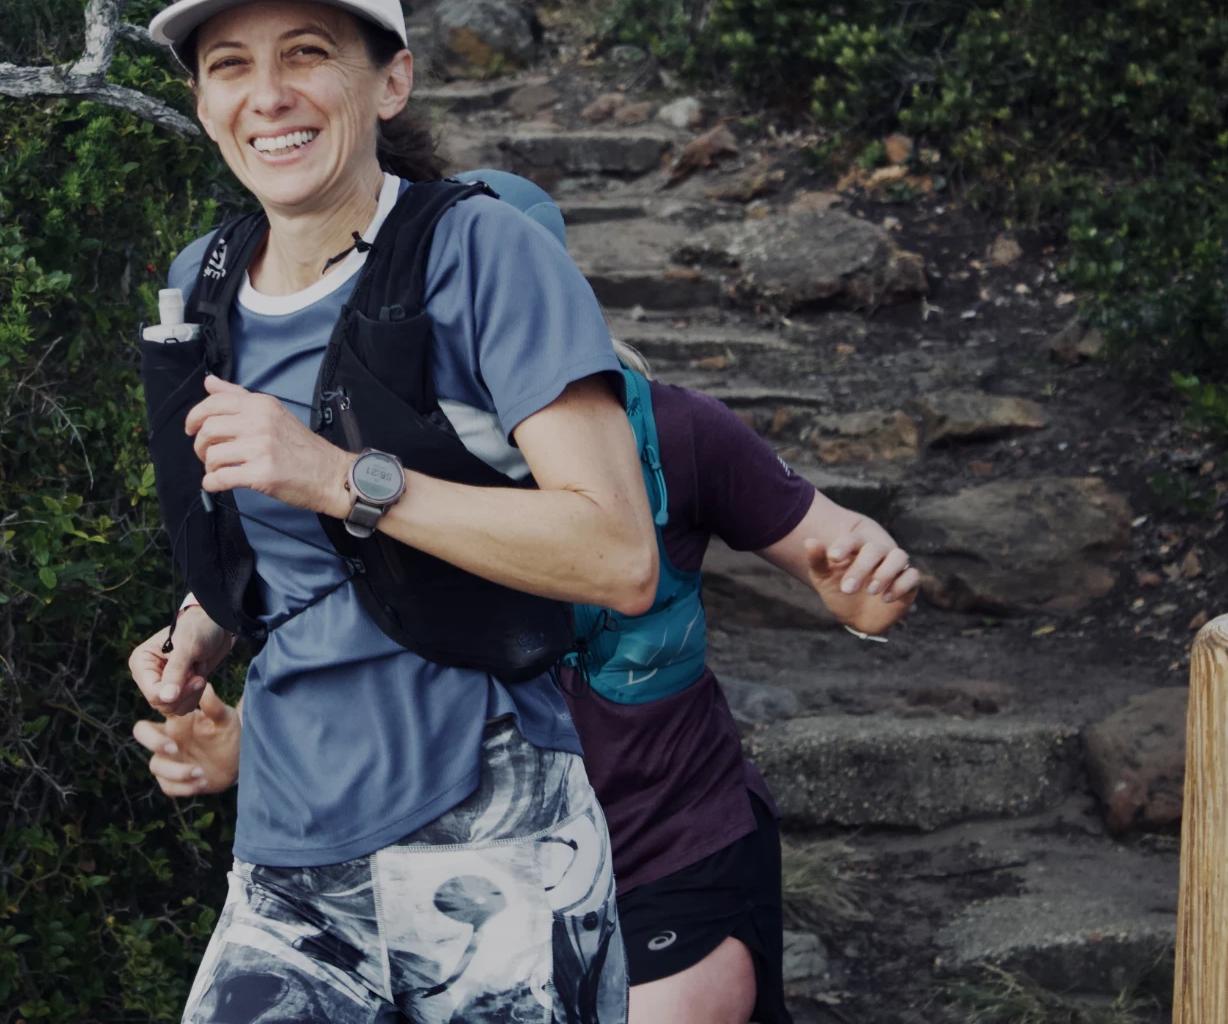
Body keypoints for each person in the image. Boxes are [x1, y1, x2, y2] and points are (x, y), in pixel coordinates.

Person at [133, 172, 921, 1024]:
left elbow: (842, 569)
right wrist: (238, 722)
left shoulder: (676, 432)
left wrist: (862, 589)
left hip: (663, 849)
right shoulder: (379, 461)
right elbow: (357, 626)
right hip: (471, 861)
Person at [129, 0, 661, 1023]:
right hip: (288, 845)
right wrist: (200, 633)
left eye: (307, 54)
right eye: (229, 66)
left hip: (492, 828)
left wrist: (339, 477)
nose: (266, 94)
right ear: (203, 104)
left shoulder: (481, 254)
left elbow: (615, 555)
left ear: (392, 81)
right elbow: (287, 551)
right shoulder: (206, 279)